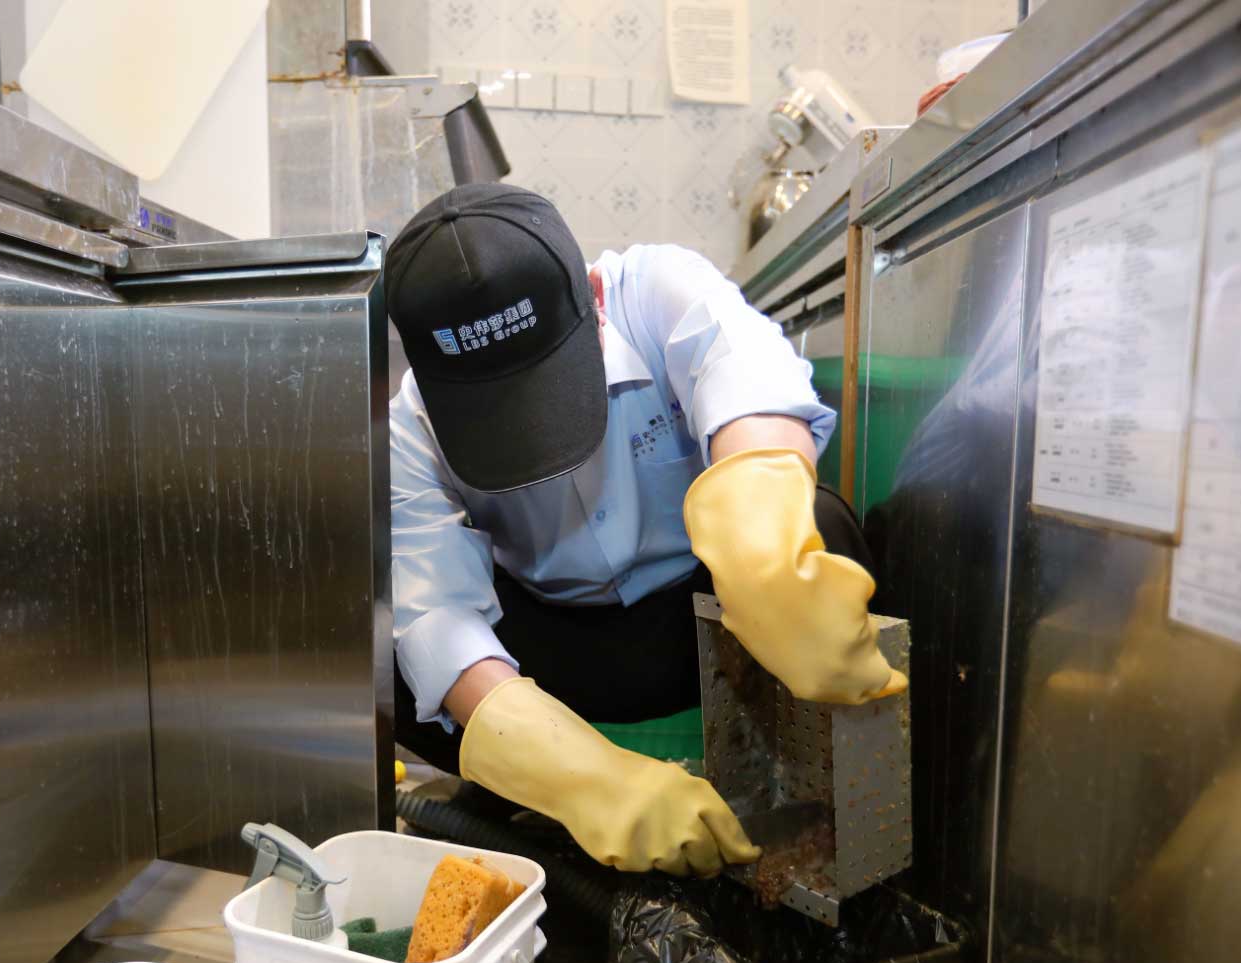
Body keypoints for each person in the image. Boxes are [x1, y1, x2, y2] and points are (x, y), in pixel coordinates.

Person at [386, 182, 906, 878]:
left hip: (715, 627)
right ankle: (533, 788)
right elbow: (436, 618)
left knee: (818, 520)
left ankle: (827, 812)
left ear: (595, 296)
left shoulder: (658, 288)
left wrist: (765, 558)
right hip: (558, 653)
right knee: (394, 657)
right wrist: (586, 781)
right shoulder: (410, 425)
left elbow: (749, 381)